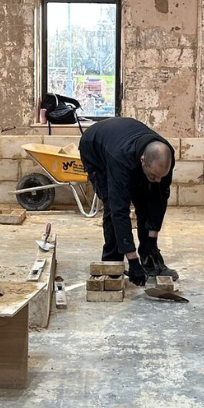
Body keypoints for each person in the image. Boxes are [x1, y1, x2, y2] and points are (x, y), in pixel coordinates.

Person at [78, 117, 176, 286]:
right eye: (153, 175)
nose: (158, 180)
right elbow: (119, 211)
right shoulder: (120, 160)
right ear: (143, 160)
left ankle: (149, 257)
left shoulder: (165, 155)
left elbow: (159, 199)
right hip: (96, 149)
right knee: (111, 206)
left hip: (123, 143)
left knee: (147, 199)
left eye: (161, 176)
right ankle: (112, 263)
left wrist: (151, 240)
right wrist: (132, 260)